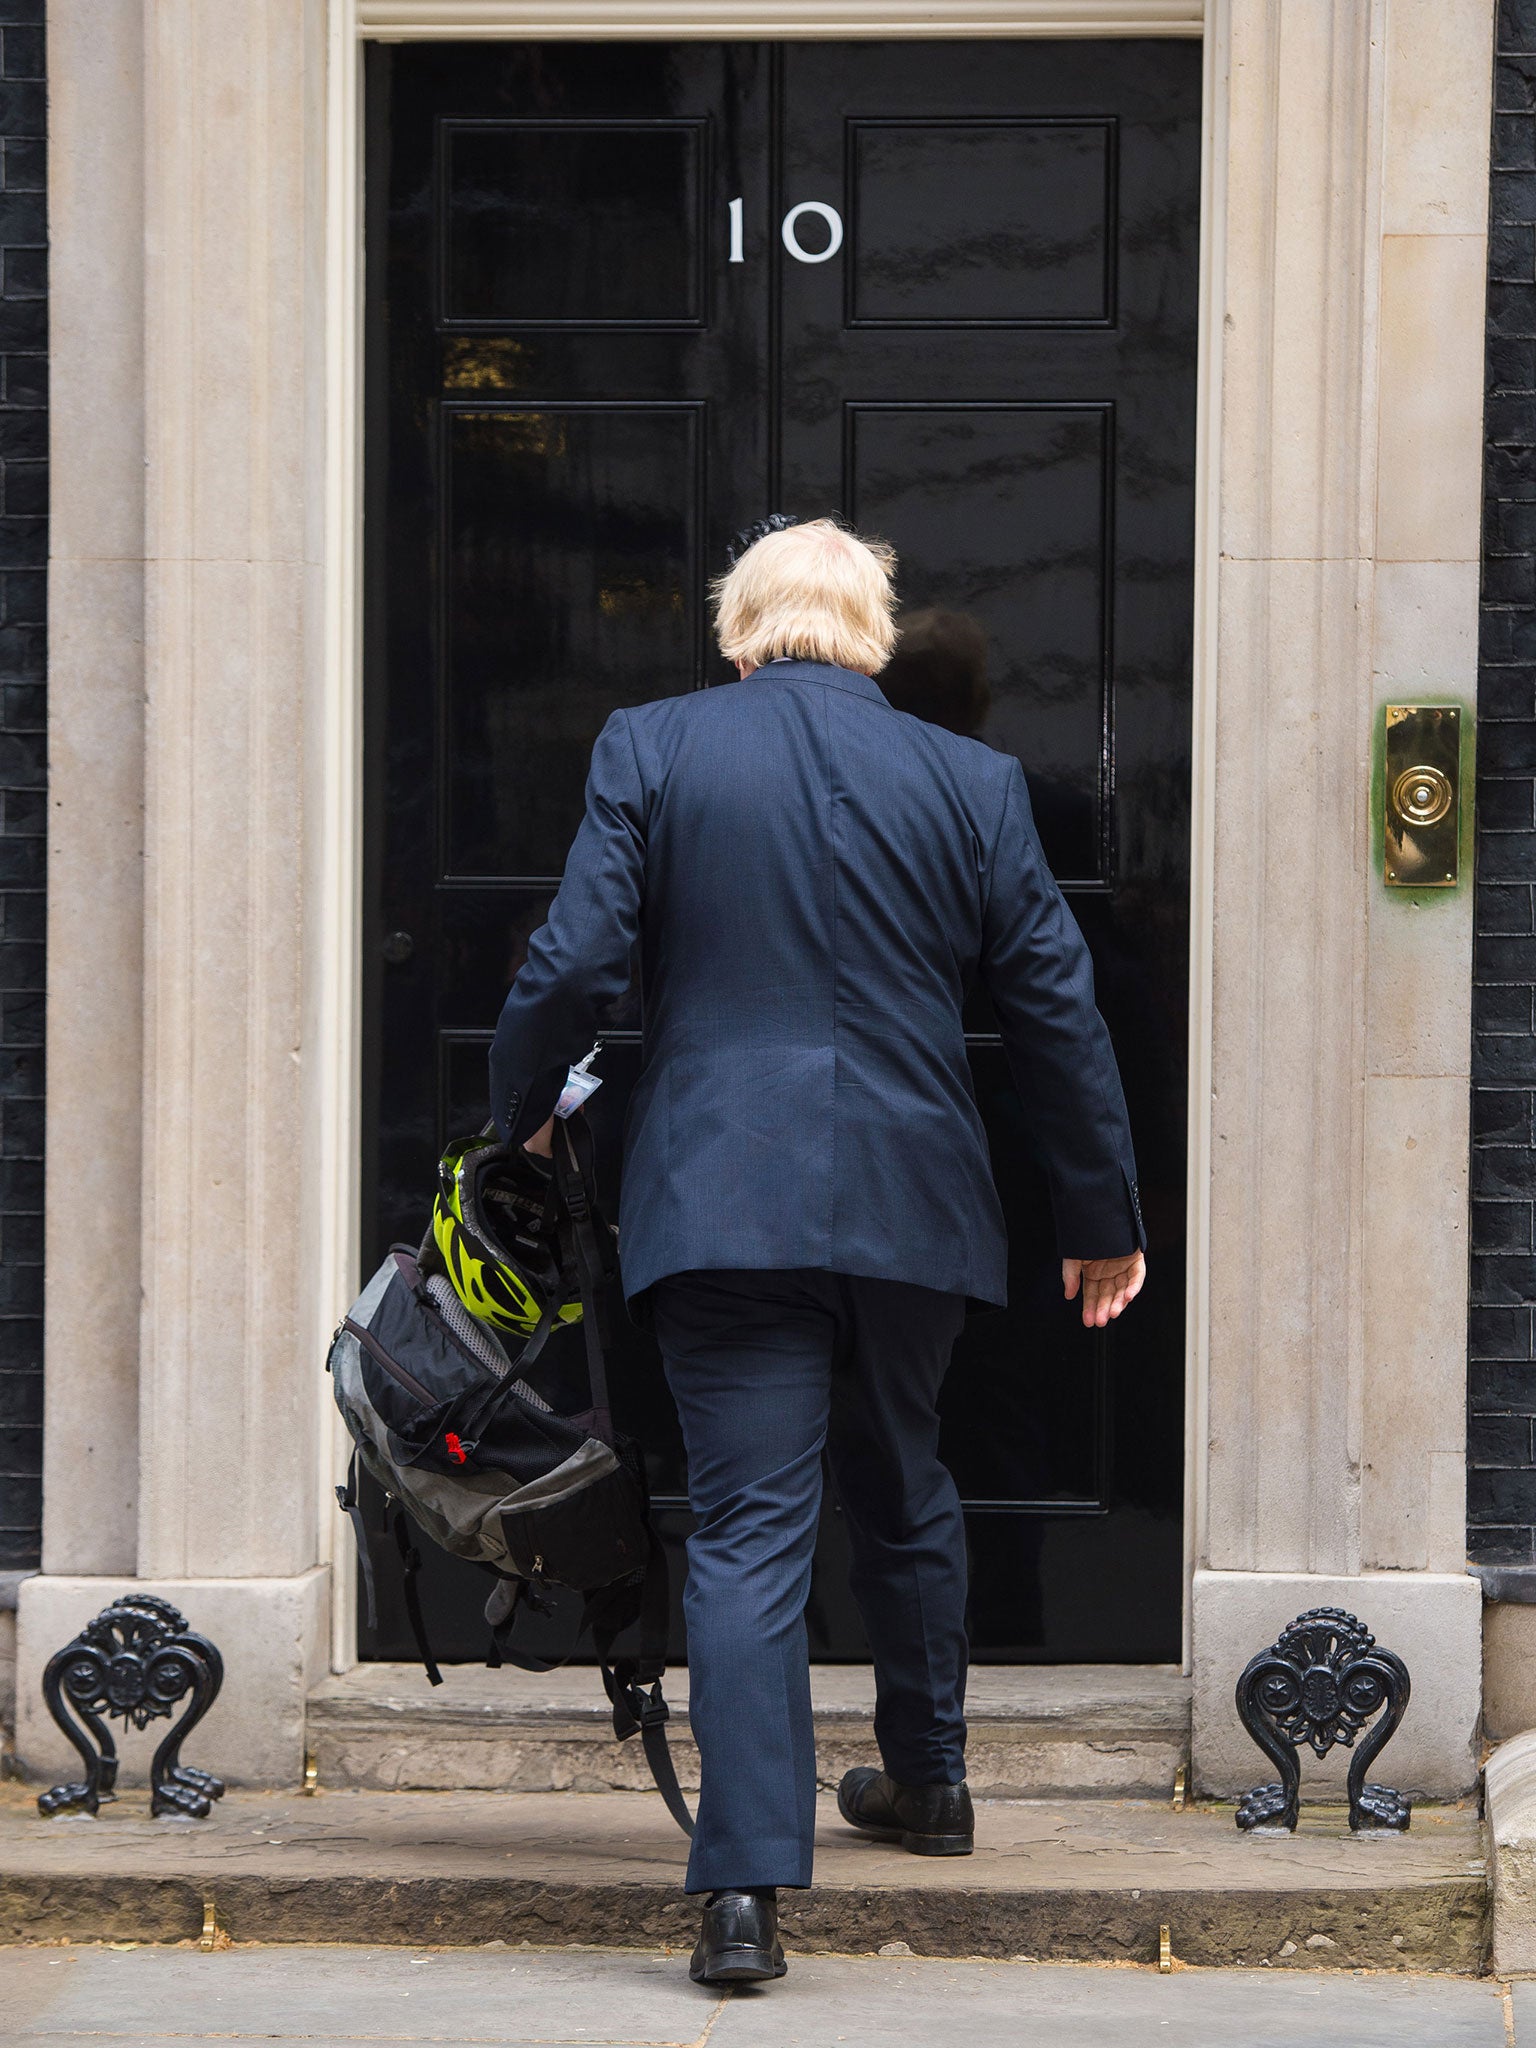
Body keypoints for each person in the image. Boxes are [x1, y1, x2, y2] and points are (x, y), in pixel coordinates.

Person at [488, 517, 1146, 1988]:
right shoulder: (971, 782)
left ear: (739, 634)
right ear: (871, 636)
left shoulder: (654, 746)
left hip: (720, 1198)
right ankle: (933, 1778)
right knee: (904, 1474)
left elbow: (576, 961)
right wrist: (1099, 1218)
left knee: (746, 1528)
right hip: (916, 1200)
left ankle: (743, 1894)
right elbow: (1056, 1010)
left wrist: (519, 1114)